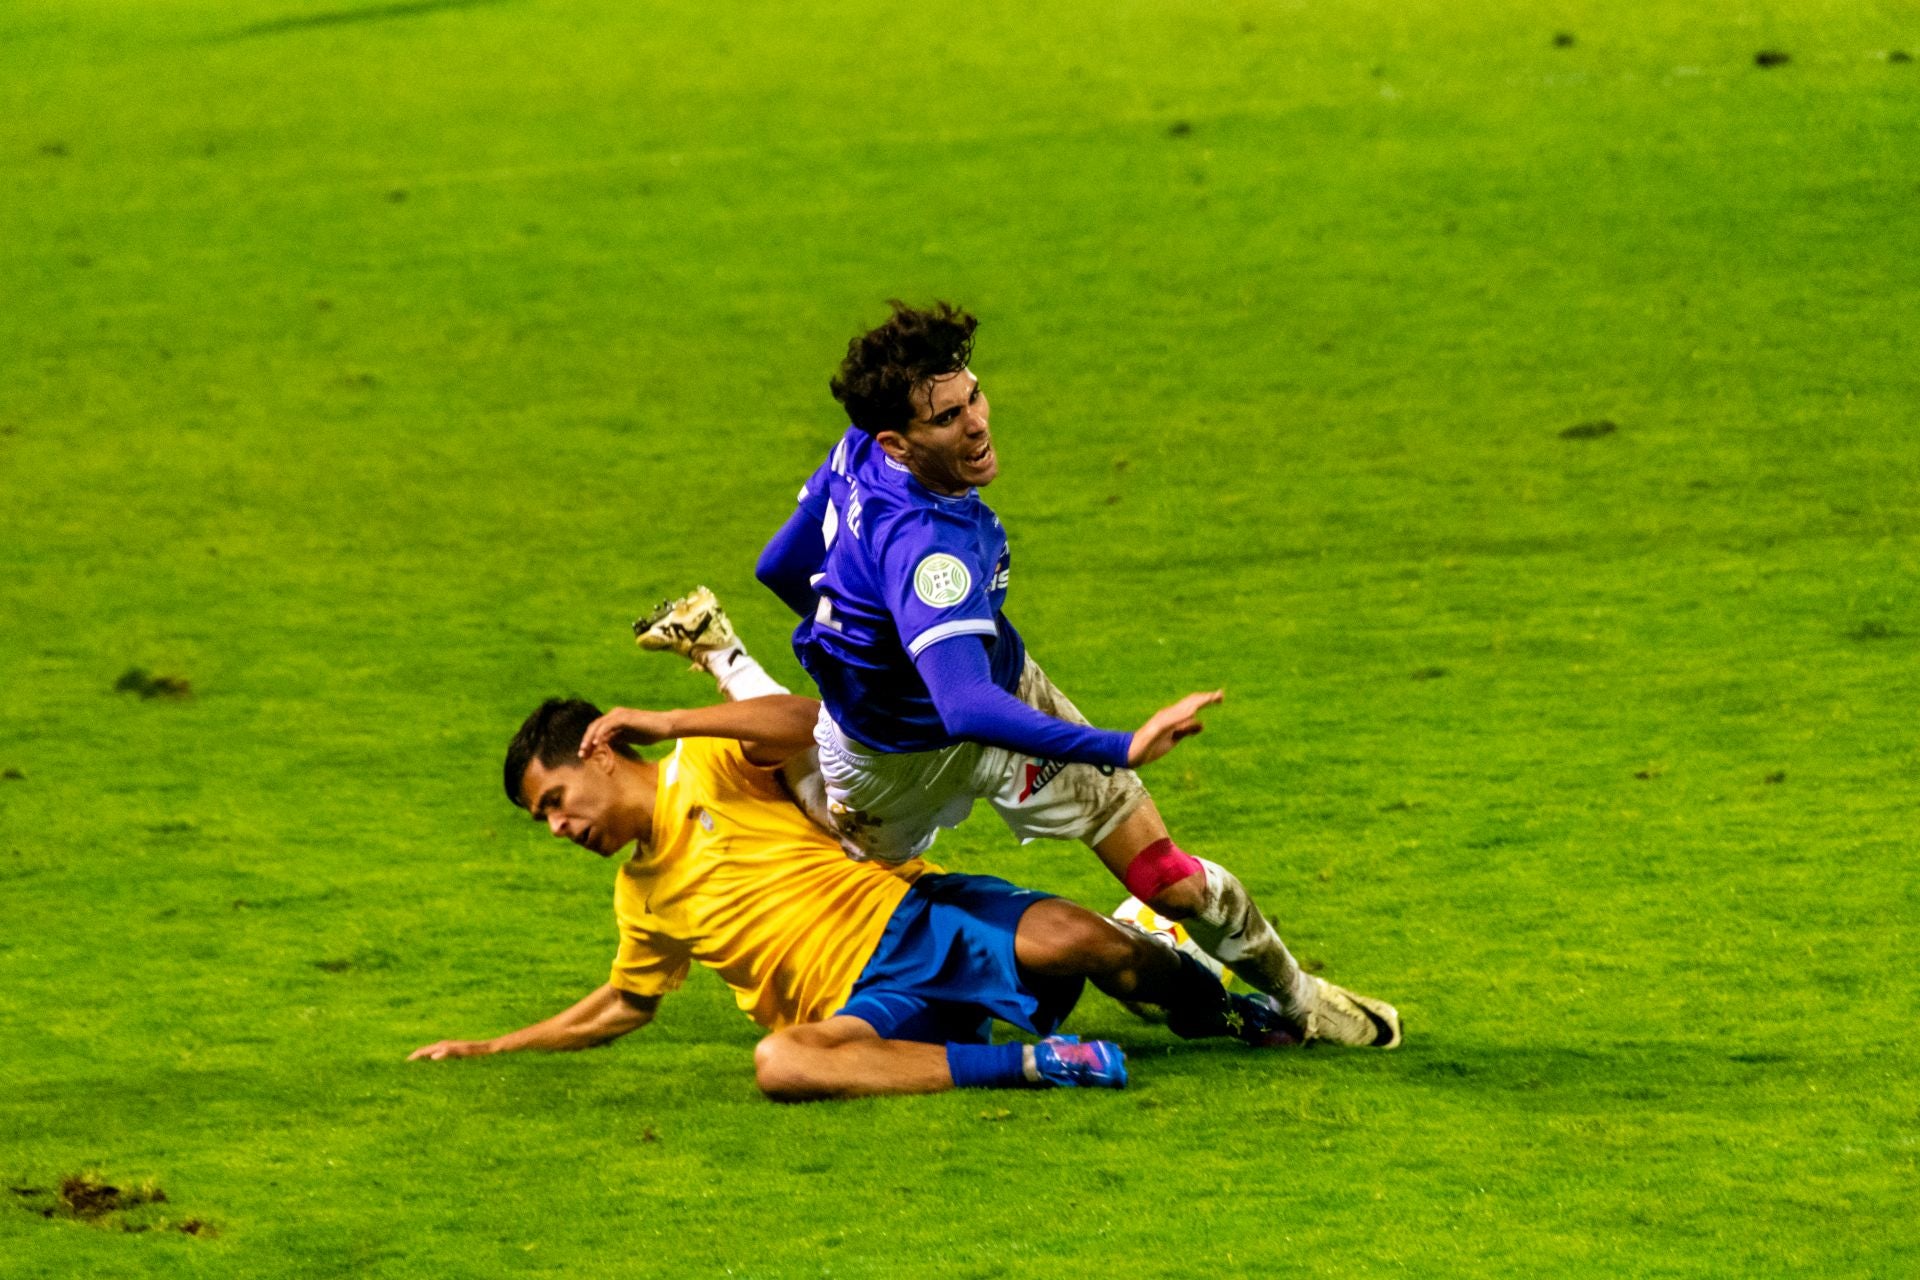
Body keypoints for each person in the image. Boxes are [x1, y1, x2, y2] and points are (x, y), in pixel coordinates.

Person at [753, 301, 1400, 1048]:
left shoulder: (857, 449)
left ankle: (1303, 1000)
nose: (976, 423)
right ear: (897, 444)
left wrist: (885, 644)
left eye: (974, 396)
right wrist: (1121, 746)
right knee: (870, 870)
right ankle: (731, 692)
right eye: (947, 420)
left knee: (1170, 880)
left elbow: (778, 566)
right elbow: (961, 704)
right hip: (900, 762)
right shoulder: (929, 547)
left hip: (973, 704)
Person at [408, 691, 1305, 1101]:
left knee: (1083, 940)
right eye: (544, 821)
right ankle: (1040, 1066)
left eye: (555, 803)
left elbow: (813, 727)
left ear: (602, 751)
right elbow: (623, 1003)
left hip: (914, 916)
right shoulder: (641, 897)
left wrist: (675, 717)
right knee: (782, 1064)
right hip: (864, 1009)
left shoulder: (707, 760)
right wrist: (491, 1046)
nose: (559, 828)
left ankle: (1222, 1010)